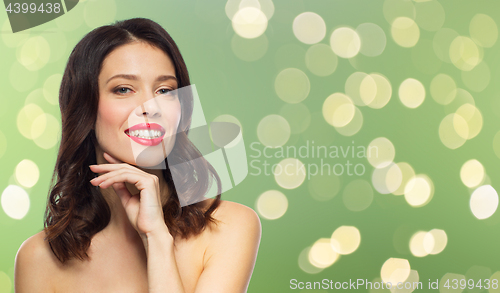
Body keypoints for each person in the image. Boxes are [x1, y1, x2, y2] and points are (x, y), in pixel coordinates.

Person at [14, 17, 261, 293]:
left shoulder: (228, 227)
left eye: (165, 90)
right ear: (86, 109)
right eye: (123, 89)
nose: (150, 107)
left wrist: (156, 239)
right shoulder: (39, 258)